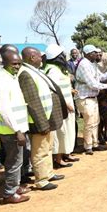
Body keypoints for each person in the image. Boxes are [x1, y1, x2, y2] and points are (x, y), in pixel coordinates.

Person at [18, 47, 67, 191]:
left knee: (48, 147)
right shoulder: (26, 74)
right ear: (32, 57)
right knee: (40, 150)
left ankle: (48, 173)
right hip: (40, 120)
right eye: (39, 56)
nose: (42, 59)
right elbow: (32, 101)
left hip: (47, 117)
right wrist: (42, 123)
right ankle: (41, 180)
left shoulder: (34, 71)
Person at [0, 51, 31, 204]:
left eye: (19, 63)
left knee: (17, 160)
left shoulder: (10, 77)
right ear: (5, 63)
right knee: (14, 161)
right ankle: (9, 193)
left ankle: (15, 186)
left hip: (16, 128)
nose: (17, 66)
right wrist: (17, 131)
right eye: (14, 64)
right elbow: (4, 109)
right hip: (11, 130)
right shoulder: (1, 80)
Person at [44, 44, 78, 167]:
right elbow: (55, 90)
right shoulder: (52, 70)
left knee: (69, 129)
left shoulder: (59, 69)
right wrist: (66, 103)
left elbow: (63, 86)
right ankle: (58, 158)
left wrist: (71, 91)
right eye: (62, 54)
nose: (64, 56)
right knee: (61, 131)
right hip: (61, 104)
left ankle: (66, 153)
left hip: (68, 101)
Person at [75, 45, 107, 155]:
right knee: (89, 123)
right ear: (88, 54)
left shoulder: (92, 64)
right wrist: (106, 86)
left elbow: (100, 77)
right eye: (95, 53)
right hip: (85, 98)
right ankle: (88, 146)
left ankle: (95, 144)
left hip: (92, 97)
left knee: (96, 122)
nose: (97, 54)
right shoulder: (84, 65)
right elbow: (92, 83)